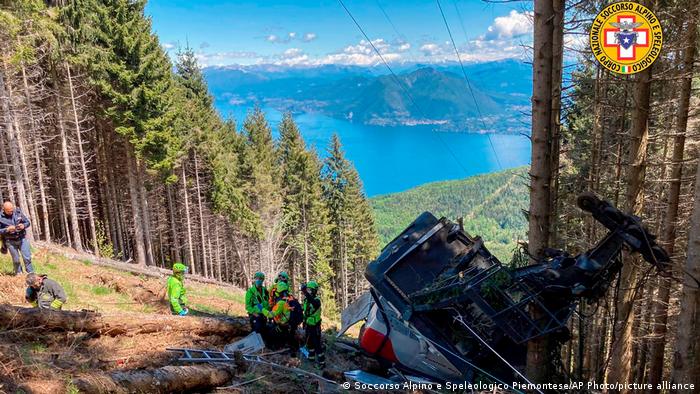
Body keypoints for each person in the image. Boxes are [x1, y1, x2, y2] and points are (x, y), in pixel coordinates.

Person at [265, 281, 299, 354]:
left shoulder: (281, 302)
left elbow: (270, 314)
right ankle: (287, 347)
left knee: (270, 333)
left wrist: (261, 309)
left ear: (278, 291)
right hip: (288, 325)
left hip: (283, 326)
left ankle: (278, 350)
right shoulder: (289, 298)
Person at [0, 201, 33, 275]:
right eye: (8, 211)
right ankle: (19, 274)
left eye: (12, 210)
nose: (11, 212)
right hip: (10, 241)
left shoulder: (18, 212)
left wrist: (23, 226)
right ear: (4, 209)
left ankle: (31, 274)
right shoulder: (0, 217)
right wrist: (7, 229)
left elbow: (27, 222)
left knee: (27, 258)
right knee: (16, 260)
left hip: (22, 239)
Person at [302, 281, 325, 368]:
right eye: (307, 290)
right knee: (309, 343)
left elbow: (313, 303)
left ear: (314, 291)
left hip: (315, 326)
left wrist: (305, 292)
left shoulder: (317, 300)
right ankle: (311, 358)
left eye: (309, 290)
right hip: (308, 325)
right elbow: (305, 311)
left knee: (317, 344)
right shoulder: (306, 300)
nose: (308, 291)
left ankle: (322, 363)